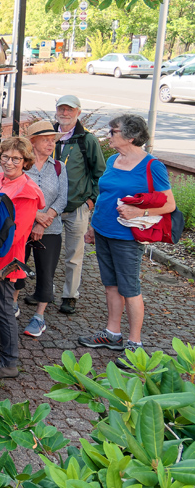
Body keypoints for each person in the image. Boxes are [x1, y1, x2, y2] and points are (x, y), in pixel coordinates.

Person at [79, 114, 176, 362]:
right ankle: (113, 333)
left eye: (113, 131)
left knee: (130, 288)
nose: (108, 135)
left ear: (130, 136)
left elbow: (169, 204)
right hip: (103, 230)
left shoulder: (152, 166)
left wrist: (140, 211)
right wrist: (92, 226)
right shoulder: (113, 160)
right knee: (110, 284)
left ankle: (135, 343)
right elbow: (104, 194)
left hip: (127, 236)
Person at [0, 136, 44, 379]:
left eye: (16, 159)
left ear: (25, 161)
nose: (9, 163)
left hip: (7, 259)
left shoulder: (28, 191)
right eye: (5, 157)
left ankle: (10, 361)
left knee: (3, 308)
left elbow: (17, 233)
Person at [53, 95, 106, 314]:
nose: (65, 113)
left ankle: (70, 295)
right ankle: (44, 291)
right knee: (46, 254)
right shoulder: (48, 136)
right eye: (61, 109)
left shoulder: (87, 140)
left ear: (78, 112)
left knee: (74, 255)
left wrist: (91, 199)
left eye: (70, 110)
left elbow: (100, 173)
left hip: (77, 207)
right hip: (49, 210)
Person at [21, 120, 68, 338]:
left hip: (50, 229)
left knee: (46, 272)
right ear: (33, 142)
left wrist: (41, 221)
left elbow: (62, 199)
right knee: (16, 268)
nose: (51, 144)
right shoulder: (22, 165)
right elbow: (16, 197)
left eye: (53, 140)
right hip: (22, 227)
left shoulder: (59, 167)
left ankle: (39, 317)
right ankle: (12, 306)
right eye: (46, 140)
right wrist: (33, 217)